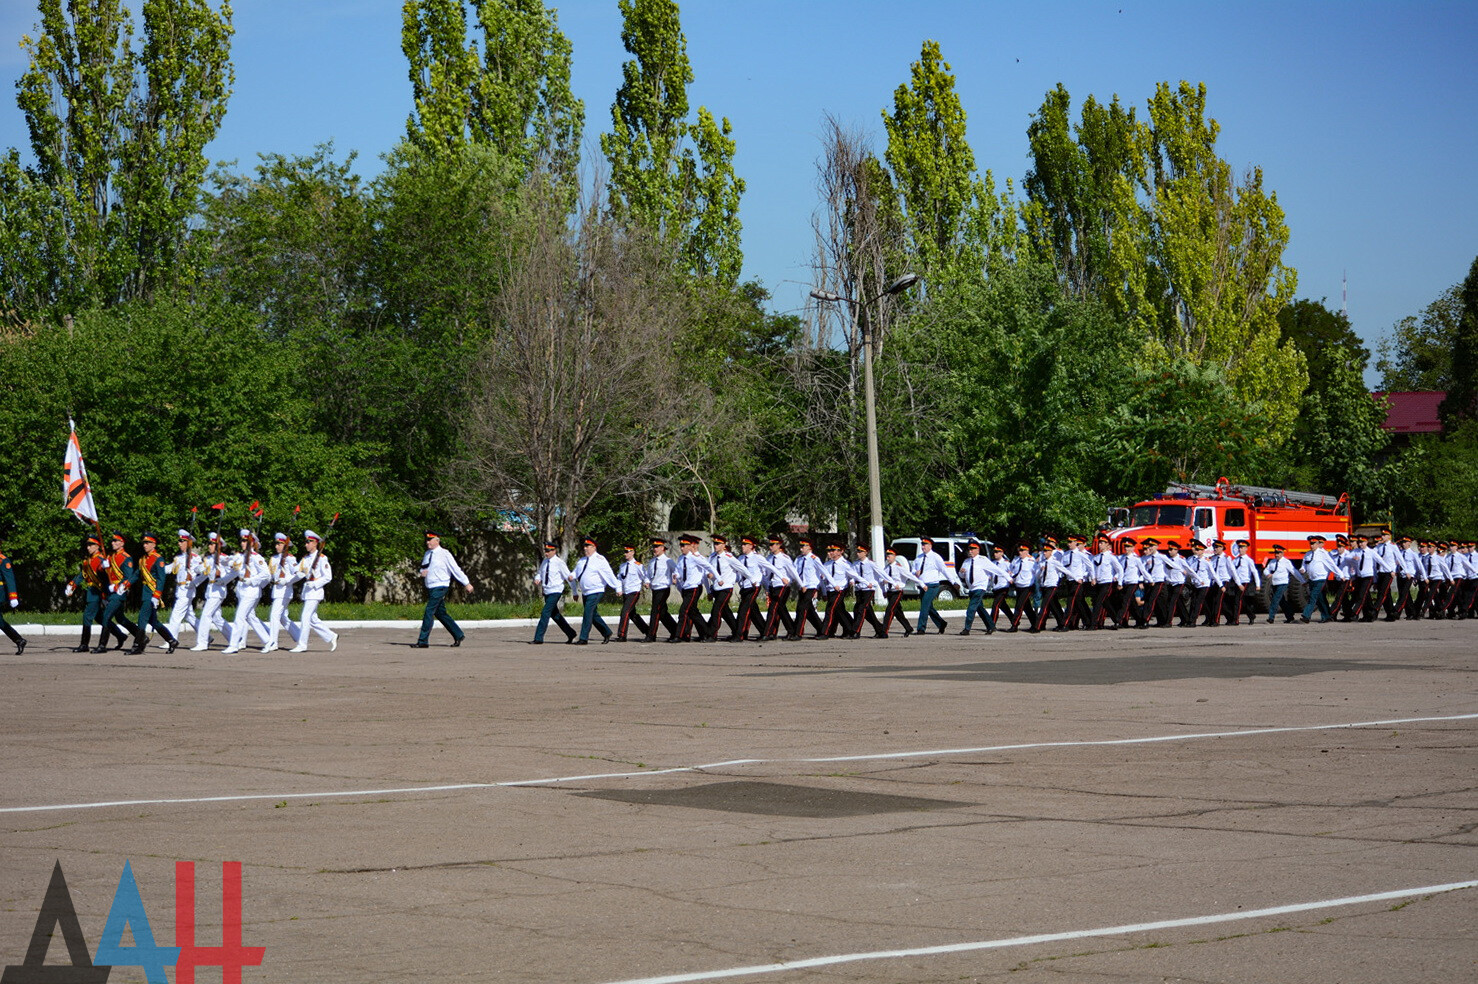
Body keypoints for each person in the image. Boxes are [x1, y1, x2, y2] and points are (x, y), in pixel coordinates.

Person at [416, 530, 472, 648]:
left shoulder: (444, 554)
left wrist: (466, 583)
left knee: (429, 611)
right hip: (430, 586)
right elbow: (423, 568)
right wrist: (422, 573)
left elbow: (455, 569)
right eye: (426, 540)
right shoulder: (427, 554)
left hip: (441, 586)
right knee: (440, 613)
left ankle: (423, 641)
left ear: (437, 540)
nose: (427, 542)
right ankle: (458, 634)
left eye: (430, 540)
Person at [224, 530, 272, 655]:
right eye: (242, 540)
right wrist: (227, 565)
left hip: (251, 590)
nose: (242, 543)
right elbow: (234, 568)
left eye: (245, 541)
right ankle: (268, 641)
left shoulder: (256, 557)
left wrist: (252, 580)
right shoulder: (240, 556)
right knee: (251, 617)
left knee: (240, 616)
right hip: (241, 588)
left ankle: (233, 645)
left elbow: (266, 574)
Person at [97, 531, 146, 653]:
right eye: (112, 541)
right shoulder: (110, 556)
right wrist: (102, 567)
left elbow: (128, 577)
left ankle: (102, 646)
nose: (112, 543)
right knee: (120, 619)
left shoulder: (126, 558)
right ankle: (141, 638)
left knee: (106, 616)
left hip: (119, 592)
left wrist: (117, 587)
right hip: (110, 592)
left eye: (115, 541)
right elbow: (101, 573)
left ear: (122, 543)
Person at [291, 529, 338, 652]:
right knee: (312, 619)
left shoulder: (322, 558)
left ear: (315, 543)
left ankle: (302, 644)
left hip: (315, 592)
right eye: (306, 542)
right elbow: (298, 570)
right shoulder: (305, 558)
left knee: (305, 617)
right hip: (307, 591)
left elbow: (328, 576)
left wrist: (315, 583)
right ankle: (331, 636)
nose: (306, 544)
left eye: (308, 542)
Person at [190, 532, 238, 651]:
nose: (209, 546)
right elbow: (201, 572)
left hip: (218, 591)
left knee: (206, 614)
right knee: (217, 618)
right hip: (211, 590)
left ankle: (202, 642)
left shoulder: (223, 558)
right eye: (209, 544)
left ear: (218, 546)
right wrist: (198, 570)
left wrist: (223, 580)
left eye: (212, 544)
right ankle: (235, 638)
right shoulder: (209, 559)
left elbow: (235, 569)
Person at [732, 536, 785, 642]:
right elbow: (738, 574)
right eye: (742, 544)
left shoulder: (758, 558)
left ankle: (739, 635)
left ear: (751, 546)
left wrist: (782, 577)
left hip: (754, 587)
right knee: (753, 611)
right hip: (744, 587)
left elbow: (771, 568)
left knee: (743, 610)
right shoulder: (741, 558)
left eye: (745, 545)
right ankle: (765, 631)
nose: (742, 546)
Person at [133, 533, 178, 654]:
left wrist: (156, 596)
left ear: (154, 544)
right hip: (145, 592)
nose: (145, 545)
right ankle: (171, 640)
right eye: (144, 543)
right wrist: (125, 584)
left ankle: (137, 645)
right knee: (153, 622)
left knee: (142, 618)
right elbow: (137, 574)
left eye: (148, 543)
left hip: (152, 594)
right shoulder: (143, 559)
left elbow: (161, 579)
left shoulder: (158, 559)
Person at [570, 536, 620, 645]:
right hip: (585, 592)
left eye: (588, 546)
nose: (585, 549)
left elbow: (609, 574)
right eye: (584, 546)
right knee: (593, 614)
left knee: (587, 613)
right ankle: (606, 632)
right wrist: (571, 576)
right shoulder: (582, 561)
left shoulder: (600, 560)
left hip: (596, 591)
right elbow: (576, 572)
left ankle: (583, 638)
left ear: (594, 547)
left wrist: (618, 587)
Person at [911, 537, 960, 635]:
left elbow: (944, 570)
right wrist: (915, 573)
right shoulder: (919, 558)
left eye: (925, 545)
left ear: (930, 546)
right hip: (922, 586)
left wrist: (953, 582)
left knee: (924, 606)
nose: (923, 547)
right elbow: (912, 570)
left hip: (932, 585)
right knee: (929, 608)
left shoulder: (935, 557)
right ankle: (941, 623)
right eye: (922, 544)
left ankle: (921, 629)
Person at [671, 534, 715, 642]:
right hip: (686, 588)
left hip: (695, 588)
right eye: (681, 545)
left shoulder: (698, 558)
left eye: (685, 545)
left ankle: (679, 636)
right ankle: (706, 633)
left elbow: (705, 575)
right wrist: (676, 576)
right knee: (693, 612)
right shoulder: (682, 558)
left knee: (684, 610)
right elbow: (679, 571)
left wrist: (709, 590)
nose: (682, 548)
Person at [531, 540, 577, 644]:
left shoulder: (559, 563)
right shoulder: (545, 561)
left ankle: (538, 638)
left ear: (554, 551)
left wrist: (574, 592)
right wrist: (537, 578)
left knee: (545, 612)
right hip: (547, 591)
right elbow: (540, 573)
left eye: (548, 551)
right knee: (555, 615)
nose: (546, 553)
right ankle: (571, 633)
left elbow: (569, 577)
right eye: (545, 551)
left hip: (556, 591)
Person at [264, 532, 303, 653]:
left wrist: (287, 580)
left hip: (285, 591)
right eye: (276, 543)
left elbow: (300, 573)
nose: (277, 546)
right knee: (282, 617)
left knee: (274, 615)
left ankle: (273, 642)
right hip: (276, 590)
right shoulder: (274, 558)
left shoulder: (290, 559)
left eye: (280, 544)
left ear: (286, 546)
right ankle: (300, 637)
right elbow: (269, 575)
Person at [163, 530, 203, 647]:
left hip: (187, 589)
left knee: (176, 615)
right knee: (189, 616)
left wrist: (193, 579)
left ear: (188, 543)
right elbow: (170, 569)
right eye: (179, 541)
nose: (179, 543)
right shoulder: (179, 558)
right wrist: (157, 568)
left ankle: (170, 640)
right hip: (180, 588)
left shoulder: (195, 558)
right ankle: (206, 636)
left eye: (182, 541)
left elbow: (200, 571)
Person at [957, 539, 1006, 635]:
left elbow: (996, 569)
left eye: (972, 549)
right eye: (969, 549)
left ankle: (967, 629)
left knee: (971, 608)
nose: (970, 551)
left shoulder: (983, 560)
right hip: (971, 588)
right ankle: (991, 626)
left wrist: (1008, 577)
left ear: (977, 550)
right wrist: (961, 572)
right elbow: (961, 576)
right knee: (980, 609)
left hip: (980, 587)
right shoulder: (966, 561)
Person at [1299, 535, 1346, 623]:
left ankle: (1306, 616)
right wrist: (1302, 569)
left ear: (1317, 544)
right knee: (1320, 599)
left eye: (1313, 543)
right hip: (1312, 579)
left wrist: (1340, 574)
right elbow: (1304, 564)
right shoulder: (1308, 554)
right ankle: (1327, 616)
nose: (1311, 545)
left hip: (1320, 579)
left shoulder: (1323, 553)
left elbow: (1331, 564)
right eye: (1311, 544)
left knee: (1312, 597)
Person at [816, 540, 857, 638]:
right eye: (830, 551)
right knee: (839, 611)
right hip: (830, 590)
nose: (831, 552)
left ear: (840, 551)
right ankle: (850, 629)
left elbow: (853, 575)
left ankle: (824, 632)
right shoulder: (827, 564)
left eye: (833, 550)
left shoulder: (845, 564)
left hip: (840, 590)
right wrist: (824, 592)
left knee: (830, 610)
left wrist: (852, 582)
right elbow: (823, 579)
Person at [847, 544, 890, 639]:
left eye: (860, 552)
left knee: (862, 609)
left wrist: (890, 584)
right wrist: (852, 581)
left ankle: (856, 631)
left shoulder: (871, 564)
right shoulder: (855, 564)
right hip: (859, 589)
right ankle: (881, 630)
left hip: (869, 589)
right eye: (857, 552)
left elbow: (880, 574)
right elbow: (853, 575)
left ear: (865, 553)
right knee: (864, 611)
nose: (858, 554)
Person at [761, 536, 800, 641]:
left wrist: (798, 584)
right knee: (781, 609)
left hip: (783, 586)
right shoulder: (769, 558)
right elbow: (767, 574)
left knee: (773, 608)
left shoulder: (784, 558)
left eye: (772, 544)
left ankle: (767, 633)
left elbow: (793, 573)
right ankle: (791, 631)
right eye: (769, 544)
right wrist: (767, 585)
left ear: (779, 545)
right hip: (773, 586)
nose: (770, 547)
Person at [880, 546, 923, 637]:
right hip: (890, 592)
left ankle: (884, 632)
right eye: (887, 556)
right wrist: (884, 591)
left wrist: (921, 584)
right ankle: (908, 628)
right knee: (897, 612)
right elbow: (882, 580)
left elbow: (910, 576)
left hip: (898, 591)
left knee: (889, 610)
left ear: (894, 556)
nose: (888, 558)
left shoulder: (899, 567)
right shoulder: (886, 568)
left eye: (890, 556)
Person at [643, 538, 680, 642]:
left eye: (657, 547)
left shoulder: (667, 561)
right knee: (662, 613)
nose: (655, 549)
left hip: (663, 588)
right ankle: (675, 631)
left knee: (655, 611)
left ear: (663, 548)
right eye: (654, 547)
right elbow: (648, 574)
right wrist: (647, 581)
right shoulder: (652, 561)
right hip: (655, 588)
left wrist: (674, 576)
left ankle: (651, 635)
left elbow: (676, 570)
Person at [614, 543, 650, 642]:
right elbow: (619, 579)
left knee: (625, 612)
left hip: (634, 592)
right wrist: (618, 589)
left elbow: (645, 575)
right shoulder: (622, 566)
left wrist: (646, 582)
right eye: (624, 552)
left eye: (627, 552)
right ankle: (648, 630)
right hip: (626, 592)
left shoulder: (638, 565)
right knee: (632, 614)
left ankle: (622, 635)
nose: (625, 554)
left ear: (632, 552)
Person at [1263, 544, 1305, 624]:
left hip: (1282, 583)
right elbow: (1266, 570)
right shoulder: (1272, 562)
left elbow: (1294, 572)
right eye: (1275, 553)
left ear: (1282, 553)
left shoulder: (1286, 562)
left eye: (1278, 553)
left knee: (1275, 600)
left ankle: (1271, 618)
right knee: (1282, 601)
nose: (1276, 555)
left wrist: (1302, 581)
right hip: (1274, 583)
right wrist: (1267, 574)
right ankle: (1290, 616)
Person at [0, 527, 25, 655]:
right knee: (0, 622)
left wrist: (13, 596)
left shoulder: (3, 560)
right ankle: (19, 640)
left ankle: (19, 640)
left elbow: (9, 579)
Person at [1004, 543, 1038, 631]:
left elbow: (1037, 573)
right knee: (1027, 607)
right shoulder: (1016, 560)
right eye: (1019, 550)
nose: (1020, 552)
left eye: (1022, 550)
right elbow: (1010, 570)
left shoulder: (1031, 561)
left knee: (1019, 605)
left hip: (1027, 586)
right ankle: (1036, 624)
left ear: (1027, 551)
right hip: (1018, 586)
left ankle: (1014, 625)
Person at [1227, 540, 1262, 626]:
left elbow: (1254, 572)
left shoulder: (1248, 560)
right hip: (1236, 582)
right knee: (1241, 601)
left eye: (1242, 548)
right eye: (1239, 548)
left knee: (1238, 601)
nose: (1240, 549)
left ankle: (1236, 620)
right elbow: (1232, 571)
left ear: (1246, 549)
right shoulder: (1235, 560)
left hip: (1244, 582)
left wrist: (1258, 584)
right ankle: (1251, 615)